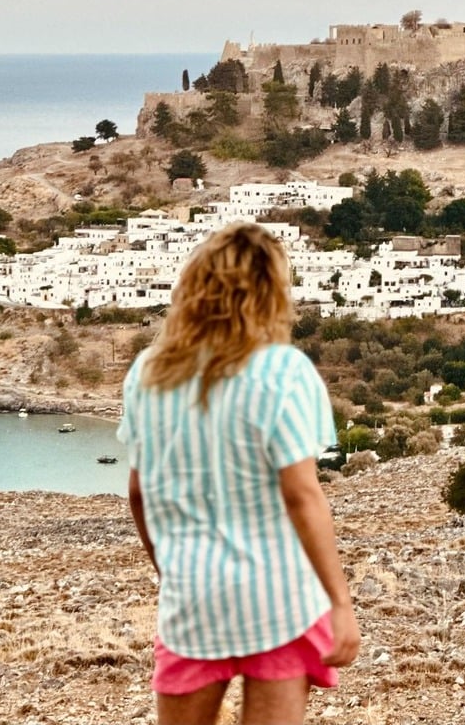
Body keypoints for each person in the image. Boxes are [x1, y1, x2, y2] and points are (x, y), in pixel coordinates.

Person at [118, 222, 360, 725]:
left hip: (193, 599)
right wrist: (340, 602)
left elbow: (139, 493)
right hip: (279, 600)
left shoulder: (148, 372)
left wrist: (172, 571)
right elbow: (302, 495)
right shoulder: (284, 372)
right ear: (272, 292)